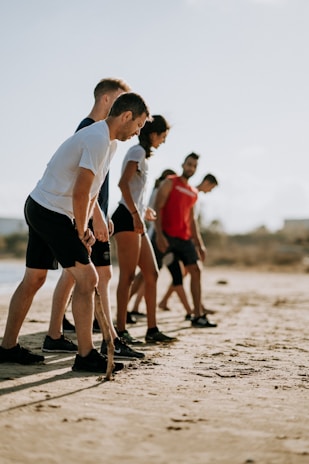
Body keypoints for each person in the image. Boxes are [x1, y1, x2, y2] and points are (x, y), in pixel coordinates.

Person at [0, 92, 150, 372]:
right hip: (50, 211)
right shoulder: (96, 138)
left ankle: (7, 347)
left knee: (34, 279)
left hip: (43, 206)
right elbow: (81, 191)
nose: (138, 131)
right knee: (88, 278)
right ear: (126, 116)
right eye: (138, 125)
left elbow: (91, 193)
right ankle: (85, 356)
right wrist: (82, 230)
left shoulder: (110, 144)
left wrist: (91, 224)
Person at [43, 78, 144, 360]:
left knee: (80, 275)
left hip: (89, 215)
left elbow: (96, 184)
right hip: (82, 216)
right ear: (108, 101)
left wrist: (98, 214)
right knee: (93, 276)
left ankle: (59, 335)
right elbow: (81, 183)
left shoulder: (107, 138)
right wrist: (90, 220)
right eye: (122, 99)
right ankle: (105, 340)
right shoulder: (91, 130)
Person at [107, 115, 177, 348]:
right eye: (163, 136)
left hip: (135, 217)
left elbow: (133, 190)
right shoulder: (136, 151)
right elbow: (122, 184)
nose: (164, 141)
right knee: (126, 277)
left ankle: (152, 329)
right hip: (126, 219)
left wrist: (143, 209)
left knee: (152, 273)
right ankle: (120, 330)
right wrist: (136, 214)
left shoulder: (143, 156)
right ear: (152, 133)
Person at [153, 153, 217, 328]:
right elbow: (158, 207)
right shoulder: (170, 182)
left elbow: (192, 220)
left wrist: (199, 243)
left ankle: (198, 315)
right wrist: (159, 234)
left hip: (184, 238)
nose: (191, 168)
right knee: (151, 273)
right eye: (189, 164)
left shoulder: (193, 192)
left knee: (196, 270)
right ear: (183, 164)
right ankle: (136, 312)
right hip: (167, 237)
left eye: (194, 166)